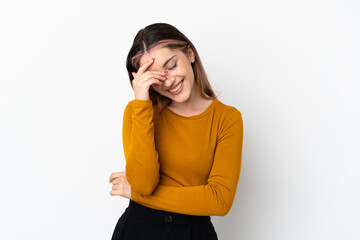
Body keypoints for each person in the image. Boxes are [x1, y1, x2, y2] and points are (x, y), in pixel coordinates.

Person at [109, 22, 243, 240]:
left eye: (171, 66)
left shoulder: (227, 119)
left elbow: (219, 200)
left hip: (193, 233)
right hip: (137, 231)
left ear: (189, 53)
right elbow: (144, 183)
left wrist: (138, 195)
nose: (168, 81)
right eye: (155, 77)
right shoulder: (137, 111)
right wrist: (141, 102)